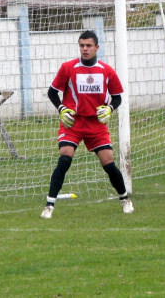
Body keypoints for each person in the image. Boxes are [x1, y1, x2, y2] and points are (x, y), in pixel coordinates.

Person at [41, 30, 134, 219]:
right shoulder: (68, 67)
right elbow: (52, 92)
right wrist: (61, 109)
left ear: (96, 48)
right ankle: (49, 205)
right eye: (82, 45)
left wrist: (109, 109)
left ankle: (125, 200)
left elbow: (117, 98)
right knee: (65, 157)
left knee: (108, 162)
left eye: (89, 45)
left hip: (96, 125)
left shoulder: (106, 71)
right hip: (73, 123)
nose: (85, 49)